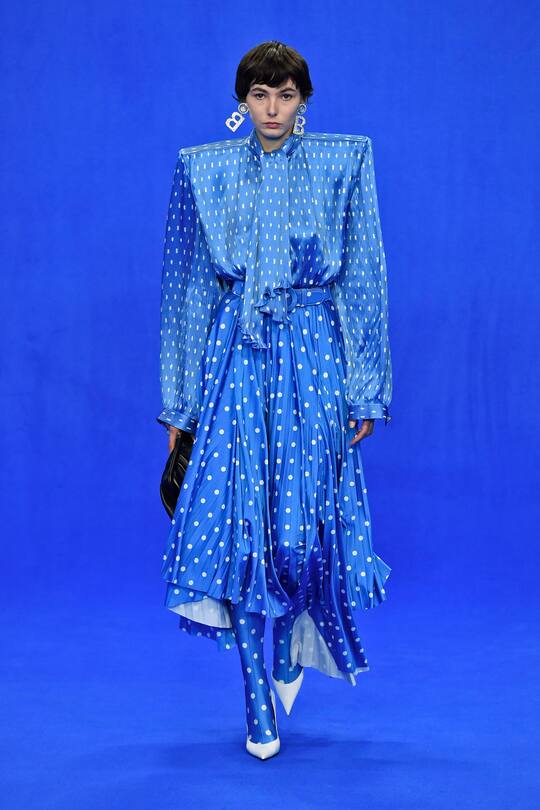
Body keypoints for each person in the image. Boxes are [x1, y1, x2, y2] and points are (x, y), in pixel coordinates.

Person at [156, 40, 393, 760]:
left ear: (304, 100)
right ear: (241, 101)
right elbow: (187, 292)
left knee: (299, 530)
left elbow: (365, 280)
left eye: (285, 95)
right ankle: (256, 694)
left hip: (314, 352)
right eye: (259, 96)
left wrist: (367, 389)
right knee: (232, 533)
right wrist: (179, 408)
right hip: (234, 357)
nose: (271, 110)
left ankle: (293, 638)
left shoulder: (343, 162)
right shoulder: (206, 170)